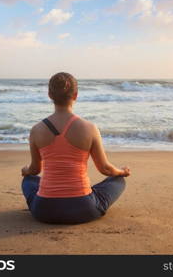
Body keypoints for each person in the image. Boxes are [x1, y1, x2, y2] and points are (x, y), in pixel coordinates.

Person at [21, 72, 130, 224]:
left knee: (29, 180)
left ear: (49, 95)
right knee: (118, 181)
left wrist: (25, 170)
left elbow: (34, 170)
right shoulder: (89, 128)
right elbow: (105, 168)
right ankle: (84, 192)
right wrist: (122, 172)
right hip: (83, 208)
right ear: (76, 95)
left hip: (44, 210)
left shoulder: (36, 129)